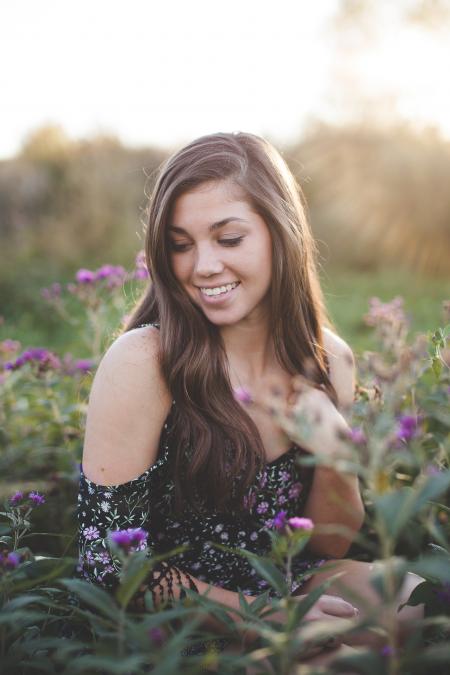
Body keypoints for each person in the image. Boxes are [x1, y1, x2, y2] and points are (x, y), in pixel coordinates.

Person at [77, 131, 422, 665]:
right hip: (173, 615)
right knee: (331, 663)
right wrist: (264, 617)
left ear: (280, 233)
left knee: (424, 608)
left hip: (286, 584)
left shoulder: (330, 360)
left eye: (228, 239)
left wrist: (336, 456)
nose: (203, 266)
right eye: (180, 244)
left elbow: (327, 546)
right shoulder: (146, 361)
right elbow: (107, 561)